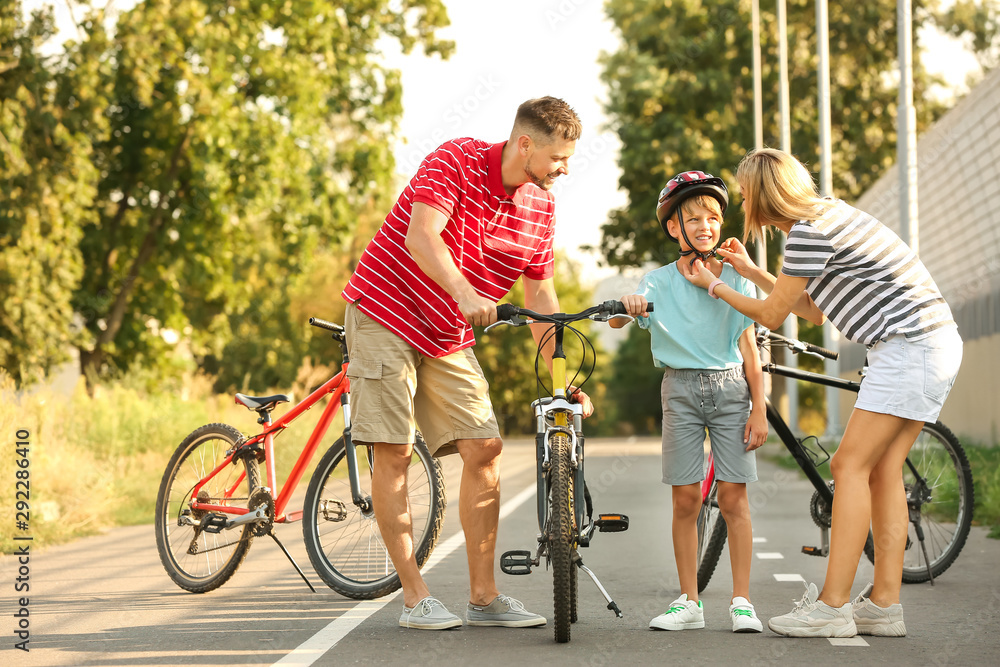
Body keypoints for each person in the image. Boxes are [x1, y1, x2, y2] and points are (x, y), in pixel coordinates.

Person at [681, 148, 963, 638]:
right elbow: (810, 310)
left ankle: (833, 607)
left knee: (847, 466)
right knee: (883, 470)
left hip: (909, 346)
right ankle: (884, 604)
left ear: (765, 196)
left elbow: (770, 316)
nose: (746, 204)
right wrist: (747, 271)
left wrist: (713, 285)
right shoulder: (828, 215)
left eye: (747, 195)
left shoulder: (809, 234)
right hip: (932, 341)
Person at [340, 96, 593, 630]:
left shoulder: (541, 208)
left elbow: (541, 298)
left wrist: (559, 381)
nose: (565, 169)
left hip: (447, 334)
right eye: (558, 158)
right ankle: (415, 598)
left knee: (485, 446)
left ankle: (484, 597)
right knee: (394, 453)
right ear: (525, 144)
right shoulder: (456, 160)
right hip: (387, 312)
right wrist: (462, 291)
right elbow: (421, 235)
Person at [614, 170, 768, 633]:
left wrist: (758, 408)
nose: (706, 225)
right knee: (685, 499)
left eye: (714, 217)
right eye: (694, 218)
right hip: (678, 390)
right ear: (674, 228)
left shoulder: (736, 279)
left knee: (733, 498)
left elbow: (749, 353)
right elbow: (624, 319)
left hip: (730, 389)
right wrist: (627, 307)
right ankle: (689, 602)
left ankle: (742, 602)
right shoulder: (658, 281)